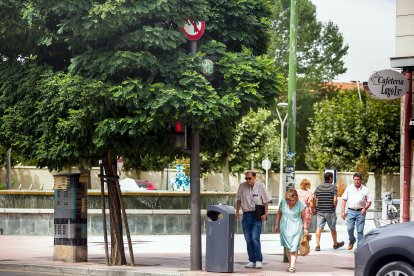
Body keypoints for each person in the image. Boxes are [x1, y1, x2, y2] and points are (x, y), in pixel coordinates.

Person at [236, 170, 272, 269]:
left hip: (257, 215)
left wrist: (266, 214)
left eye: (249, 178)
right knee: (248, 238)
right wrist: (237, 212)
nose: (248, 180)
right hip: (246, 215)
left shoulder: (261, 186)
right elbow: (238, 199)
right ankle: (251, 260)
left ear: (255, 177)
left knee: (255, 238)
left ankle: (258, 260)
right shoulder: (242, 186)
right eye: (246, 178)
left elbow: (265, 201)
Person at [274, 189, 308, 273]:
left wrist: (305, 228)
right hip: (284, 229)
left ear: (296, 198)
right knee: (287, 247)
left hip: (296, 228)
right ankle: (291, 265)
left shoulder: (300, 204)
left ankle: (292, 266)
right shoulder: (283, 202)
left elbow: (304, 217)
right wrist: (276, 224)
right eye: (289, 200)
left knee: (293, 248)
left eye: (293, 200)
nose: (291, 202)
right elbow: (279, 213)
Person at [313, 172, 344, 251]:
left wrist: (314, 207)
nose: (332, 179)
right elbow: (335, 199)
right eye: (332, 177)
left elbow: (313, 198)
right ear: (330, 178)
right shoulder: (333, 187)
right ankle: (335, 243)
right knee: (333, 228)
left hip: (320, 211)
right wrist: (334, 207)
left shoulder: (319, 187)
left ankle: (317, 245)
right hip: (330, 211)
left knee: (319, 228)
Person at [341, 172, 372, 250]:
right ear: (353, 180)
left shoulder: (365, 189)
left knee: (360, 230)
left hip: (361, 212)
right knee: (349, 228)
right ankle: (352, 240)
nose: (356, 181)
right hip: (350, 211)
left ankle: (359, 247)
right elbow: (344, 200)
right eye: (355, 179)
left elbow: (369, 201)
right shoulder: (349, 188)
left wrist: (365, 208)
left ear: (361, 180)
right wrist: (342, 211)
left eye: (358, 179)